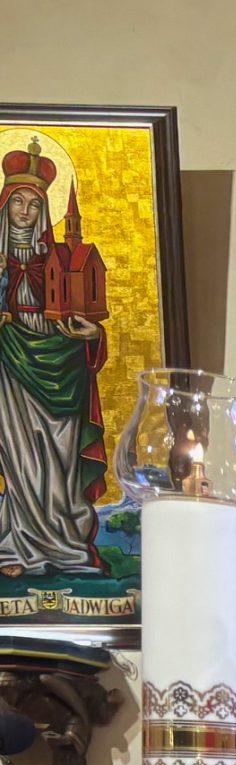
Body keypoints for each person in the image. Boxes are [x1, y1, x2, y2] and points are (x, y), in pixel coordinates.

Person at [0, 141, 107, 579]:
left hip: (64, 365)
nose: (25, 211)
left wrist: (93, 335)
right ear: (4, 205)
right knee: (21, 459)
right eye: (17, 201)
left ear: (44, 210)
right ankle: (17, 545)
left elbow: (86, 310)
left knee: (61, 463)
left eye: (34, 203)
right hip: (11, 365)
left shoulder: (61, 257)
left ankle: (66, 544)